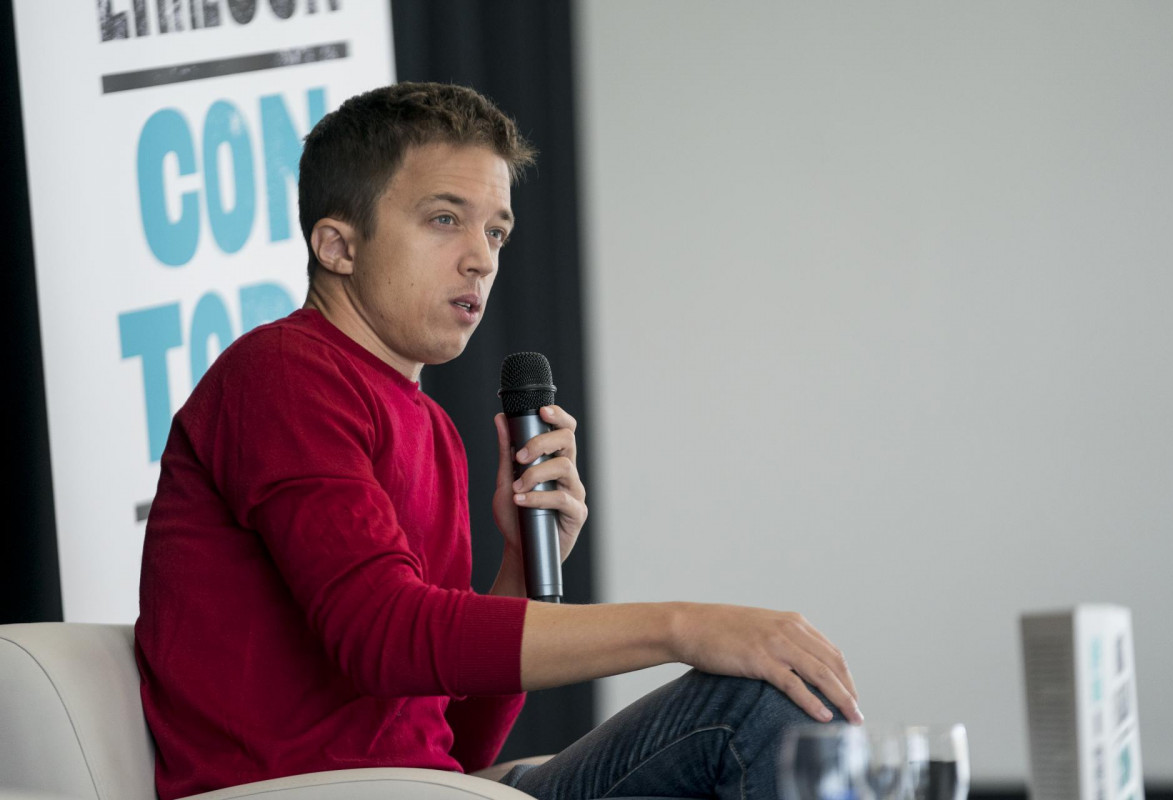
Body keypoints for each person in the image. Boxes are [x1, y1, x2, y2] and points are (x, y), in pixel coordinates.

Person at [135, 81, 863, 800]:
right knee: (755, 706)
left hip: (428, 790)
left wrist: (519, 564)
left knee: (780, 705)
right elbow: (380, 639)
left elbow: (459, 743)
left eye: (495, 233)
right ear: (338, 245)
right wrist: (686, 628)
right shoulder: (282, 374)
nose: (481, 259)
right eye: (445, 219)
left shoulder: (433, 429)